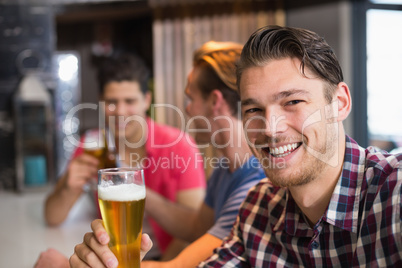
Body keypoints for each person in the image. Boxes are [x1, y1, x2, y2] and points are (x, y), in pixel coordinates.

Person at [73, 25, 402, 267]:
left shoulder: (394, 195)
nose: (271, 129)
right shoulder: (258, 208)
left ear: (340, 102)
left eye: (293, 102)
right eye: (254, 110)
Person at [69, 41, 266, 268]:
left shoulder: (255, 184)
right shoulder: (226, 168)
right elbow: (195, 227)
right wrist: (130, 188)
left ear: (215, 102)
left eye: (190, 99)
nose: (187, 109)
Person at [42, 53, 206, 261]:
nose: (120, 111)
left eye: (129, 101)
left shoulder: (179, 146)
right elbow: (51, 216)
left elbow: (194, 229)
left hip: (166, 259)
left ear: (146, 100)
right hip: (113, 257)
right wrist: (68, 187)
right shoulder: (93, 144)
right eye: (111, 102)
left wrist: (134, 190)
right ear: (101, 102)